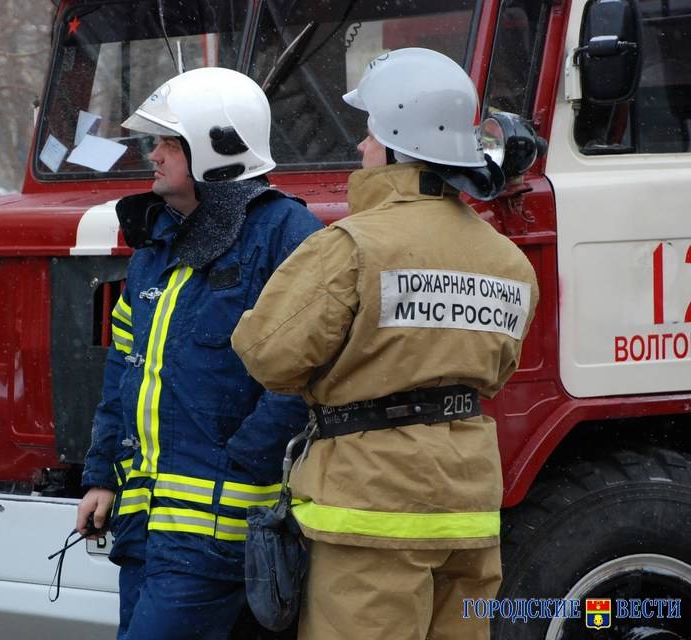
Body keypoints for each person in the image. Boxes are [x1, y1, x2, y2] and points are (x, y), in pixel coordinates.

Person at [232, 48, 540, 640]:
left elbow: (267, 354)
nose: (360, 149)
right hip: (469, 511)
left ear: (400, 144)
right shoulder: (508, 260)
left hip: (368, 516)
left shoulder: (351, 245)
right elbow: (496, 373)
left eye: (369, 134)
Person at [75, 67, 322, 640]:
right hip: (144, 530)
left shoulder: (288, 235)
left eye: (167, 142)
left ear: (219, 148)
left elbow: (307, 372)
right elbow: (124, 373)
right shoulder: (157, 245)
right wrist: (101, 478)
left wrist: (242, 461)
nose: (153, 155)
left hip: (219, 532)